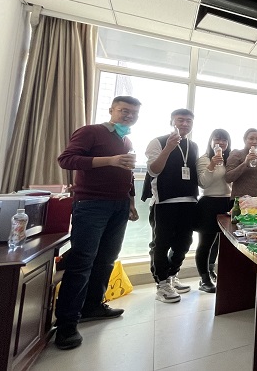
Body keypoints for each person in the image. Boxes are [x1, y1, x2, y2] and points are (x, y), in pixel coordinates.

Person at [54, 96, 141, 350]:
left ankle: (93, 305)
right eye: (124, 110)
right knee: (82, 261)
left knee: (106, 259)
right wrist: (109, 160)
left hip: (119, 205)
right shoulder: (90, 132)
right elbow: (66, 160)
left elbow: (127, 173)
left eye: (134, 113)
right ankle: (66, 324)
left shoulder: (126, 140)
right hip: (92, 205)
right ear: (111, 110)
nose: (129, 116)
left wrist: (131, 202)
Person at [145, 108, 199, 303]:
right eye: (180, 120)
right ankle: (161, 284)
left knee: (184, 243)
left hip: (189, 201)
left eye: (188, 121)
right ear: (172, 121)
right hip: (164, 202)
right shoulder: (158, 141)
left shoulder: (193, 145)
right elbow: (153, 170)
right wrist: (168, 148)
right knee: (161, 243)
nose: (184, 124)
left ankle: (171, 275)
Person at [195, 129, 232, 293]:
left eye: (224, 140)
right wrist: (212, 164)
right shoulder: (204, 159)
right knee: (206, 243)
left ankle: (211, 270)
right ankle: (204, 279)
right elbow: (203, 183)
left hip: (228, 202)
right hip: (209, 203)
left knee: (220, 242)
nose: (221, 143)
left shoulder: (229, 159)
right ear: (211, 141)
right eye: (217, 139)